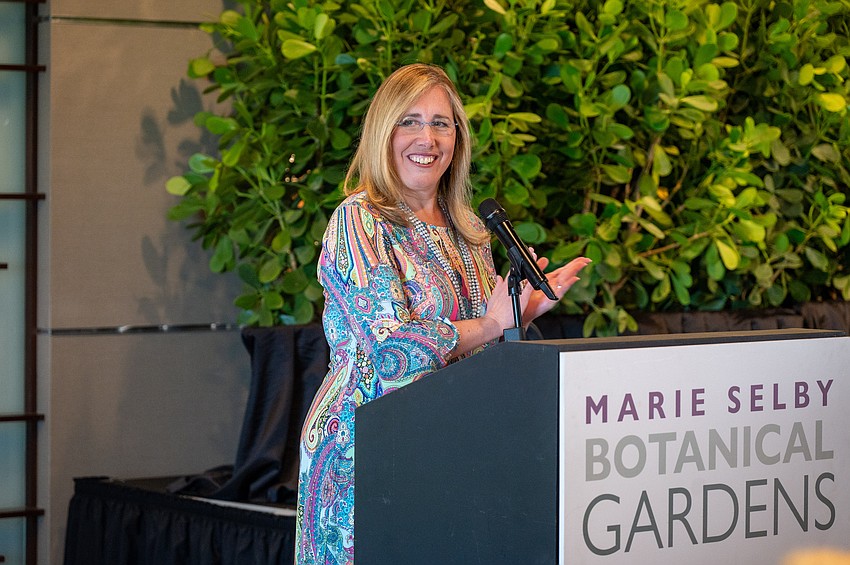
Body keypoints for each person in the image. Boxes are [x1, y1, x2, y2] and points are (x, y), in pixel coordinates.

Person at [294, 63, 591, 564]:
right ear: (383, 132)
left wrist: (521, 312)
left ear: (458, 138)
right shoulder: (359, 219)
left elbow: (480, 350)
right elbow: (391, 353)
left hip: (453, 444)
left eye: (441, 123)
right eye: (409, 121)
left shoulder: (470, 227)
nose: (426, 138)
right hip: (367, 452)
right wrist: (492, 323)